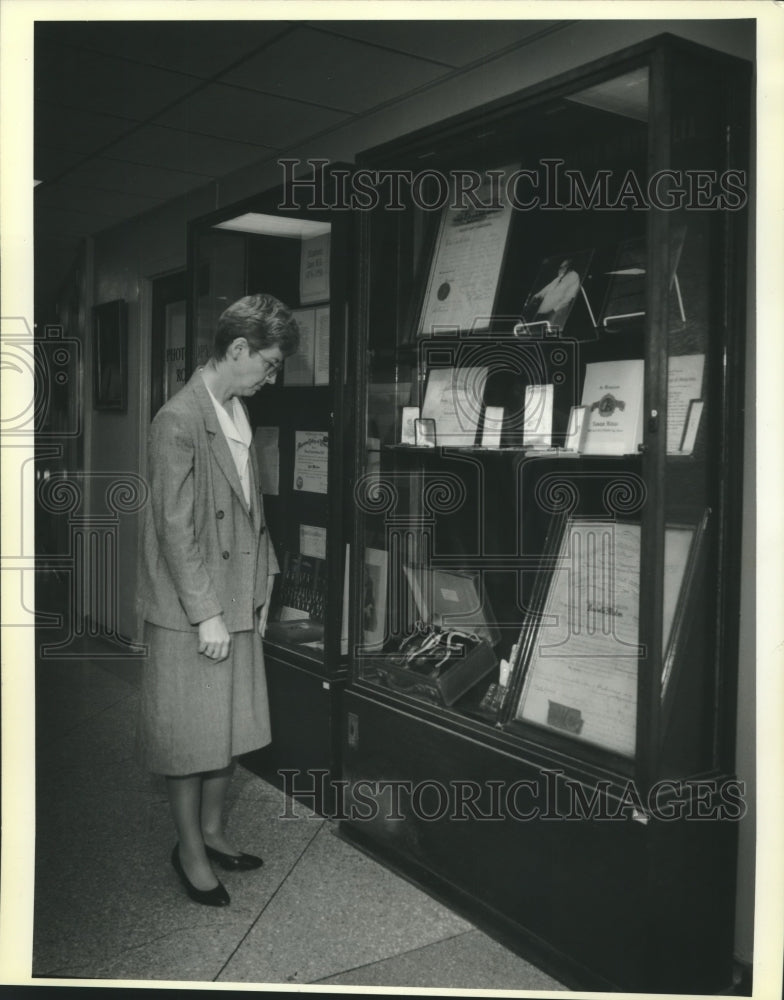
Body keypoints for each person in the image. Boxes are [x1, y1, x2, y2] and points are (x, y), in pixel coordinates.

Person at [137, 293, 299, 906]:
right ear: (237, 350)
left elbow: (253, 511)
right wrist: (206, 613)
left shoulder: (235, 410)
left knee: (222, 733)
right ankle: (190, 850)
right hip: (192, 610)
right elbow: (174, 527)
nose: (271, 375)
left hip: (236, 596)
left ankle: (212, 831)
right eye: (269, 362)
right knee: (189, 740)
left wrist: (264, 586)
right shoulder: (177, 419)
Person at [524, 258, 581, 330]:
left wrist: (555, 309)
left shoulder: (574, 276)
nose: (561, 268)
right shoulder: (560, 276)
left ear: (569, 266)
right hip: (543, 310)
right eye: (561, 267)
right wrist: (537, 295)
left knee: (547, 331)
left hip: (555, 312)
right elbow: (548, 288)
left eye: (564, 266)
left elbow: (569, 297)